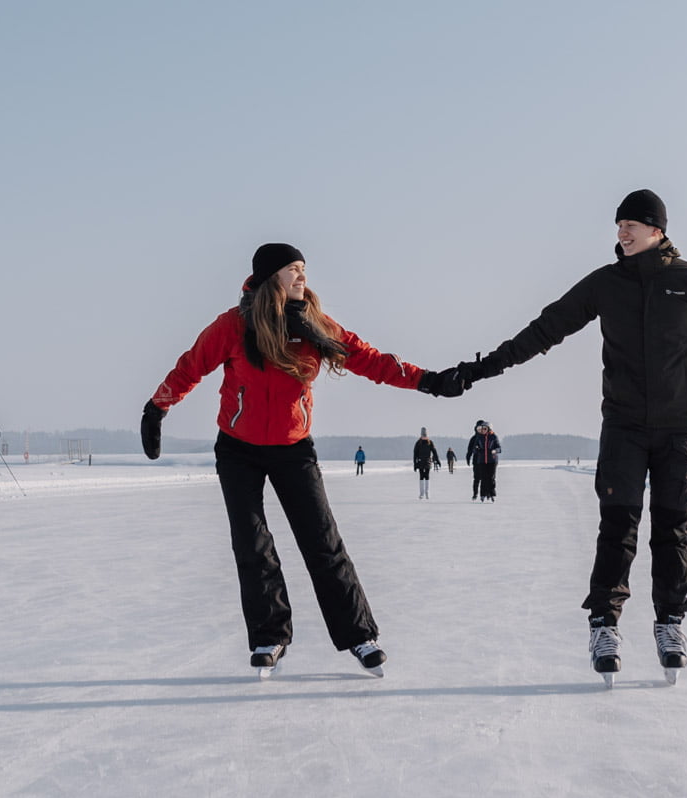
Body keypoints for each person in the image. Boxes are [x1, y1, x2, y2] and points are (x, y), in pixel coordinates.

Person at [450, 189, 687, 682]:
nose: (622, 233)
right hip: (625, 427)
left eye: (632, 224)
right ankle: (604, 624)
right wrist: (482, 369)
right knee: (618, 528)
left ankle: (670, 622)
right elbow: (544, 330)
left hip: (679, 429)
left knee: (673, 530)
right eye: (618, 226)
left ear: (657, 230)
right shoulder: (606, 284)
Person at [140, 242, 466, 677]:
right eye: (293, 269)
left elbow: (368, 359)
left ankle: (360, 636)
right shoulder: (234, 326)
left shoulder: (314, 324)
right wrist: (158, 407)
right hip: (238, 448)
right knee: (252, 544)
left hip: (294, 448)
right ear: (269, 276)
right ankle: (269, 637)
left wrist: (427, 381)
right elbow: (190, 366)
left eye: (303, 269)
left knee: (322, 541)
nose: (302, 276)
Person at [465, 420, 501, 501]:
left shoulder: (491, 437)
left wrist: (494, 451)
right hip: (477, 460)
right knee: (477, 478)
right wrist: (468, 457)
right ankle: (475, 494)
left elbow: (498, 447)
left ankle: (488, 493)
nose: (481, 430)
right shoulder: (475, 438)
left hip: (488, 460)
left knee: (488, 477)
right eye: (479, 428)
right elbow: (470, 449)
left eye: (483, 428)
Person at [412, 427, 438, 499]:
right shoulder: (418, 443)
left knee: (426, 476)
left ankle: (427, 492)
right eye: (423, 435)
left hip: (427, 461)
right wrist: (415, 463)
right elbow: (415, 454)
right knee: (421, 476)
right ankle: (421, 493)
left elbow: (434, 452)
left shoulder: (430, 442)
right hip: (420, 461)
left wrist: (437, 460)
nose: (424, 436)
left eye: (425, 435)